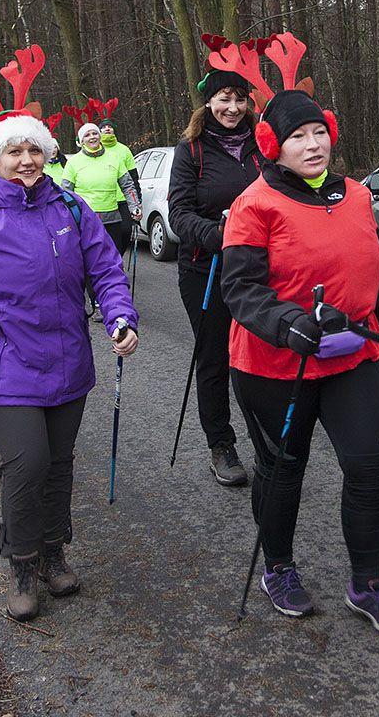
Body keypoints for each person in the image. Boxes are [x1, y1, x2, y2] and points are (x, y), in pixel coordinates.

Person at [222, 37, 379, 638]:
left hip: (352, 356)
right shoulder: (254, 204)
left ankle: (367, 583)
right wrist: (291, 324)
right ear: (275, 146)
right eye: (298, 137)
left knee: (369, 466)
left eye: (319, 133)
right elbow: (240, 291)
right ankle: (280, 568)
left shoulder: (359, 194)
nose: (313, 145)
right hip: (274, 363)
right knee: (283, 467)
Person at [0, 109, 138, 622]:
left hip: (69, 362)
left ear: (48, 153)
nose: (26, 160)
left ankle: (53, 552)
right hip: (6, 368)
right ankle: (22, 564)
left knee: (60, 464)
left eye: (34, 150)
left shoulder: (70, 208)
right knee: (27, 465)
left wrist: (119, 315)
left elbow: (106, 269)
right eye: (13, 151)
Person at [167, 62, 265, 485]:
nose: (232, 107)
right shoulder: (191, 150)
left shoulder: (264, 145)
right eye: (224, 98)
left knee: (261, 355)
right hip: (205, 268)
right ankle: (221, 445)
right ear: (208, 101)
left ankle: (266, 441)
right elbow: (178, 213)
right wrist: (220, 233)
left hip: (259, 268)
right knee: (216, 359)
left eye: (239, 98)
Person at [63, 122, 142, 259]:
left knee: (113, 255)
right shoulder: (73, 162)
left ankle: (114, 279)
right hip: (86, 218)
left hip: (112, 217)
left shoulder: (114, 158)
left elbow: (128, 185)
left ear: (99, 136)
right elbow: (66, 192)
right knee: (91, 257)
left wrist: (135, 206)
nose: (92, 137)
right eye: (87, 135)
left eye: (94, 133)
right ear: (82, 141)